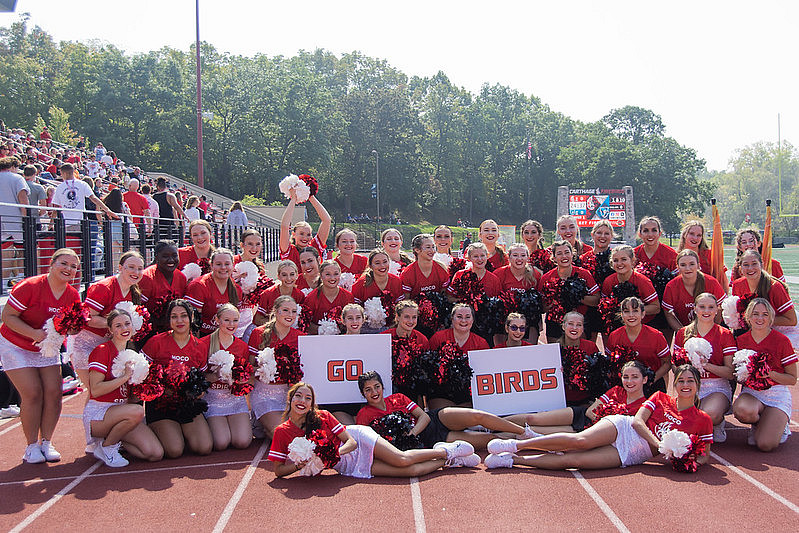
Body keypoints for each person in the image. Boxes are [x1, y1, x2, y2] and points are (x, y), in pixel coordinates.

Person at [483, 365, 712, 470]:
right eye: (681, 380)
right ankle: (517, 444)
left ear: (698, 386)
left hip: (635, 453)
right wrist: (659, 445)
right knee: (579, 442)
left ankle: (513, 460)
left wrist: (684, 460)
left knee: (574, 461)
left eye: (690, 381)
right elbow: (637, 421)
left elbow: (704, 456)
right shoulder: (660, 396)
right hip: (623, 428)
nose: (684, 385)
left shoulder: (703, 419)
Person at [268, 382, 479, 478]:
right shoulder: (282, 431)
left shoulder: (323, 416)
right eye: (298, 396)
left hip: (358, 440)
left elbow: (349, 440)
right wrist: (303, 464)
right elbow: (278, 472)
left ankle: (448, 450)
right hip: (346, 466)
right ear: (290, 399)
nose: (302, 401)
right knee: (409, 472)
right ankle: (452, 460)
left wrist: (332, 453)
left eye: (308, 398)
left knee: (402, 459)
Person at [0, 249, 81, 463]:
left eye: (73, 266)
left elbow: (70, 326)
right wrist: (34, 334)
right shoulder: (30, 286)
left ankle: (47, 441)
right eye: (64, 263)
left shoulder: (72, 294)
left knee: (54, 392)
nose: (68, 269)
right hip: (15, 345)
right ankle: (31, 446)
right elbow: (7, 316)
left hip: (46, 348)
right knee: (33, 393)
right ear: (52, 264)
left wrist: (73, 328)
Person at [356, 371, 534, 451]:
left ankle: (526, 433)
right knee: (491, 440)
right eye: (368, 389)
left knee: (478, 416)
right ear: (363, 393)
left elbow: (423, 416)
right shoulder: (363, 415)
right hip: (432, 440)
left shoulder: (398, 398)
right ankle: (527, 444)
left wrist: (411, 433)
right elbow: (368, 443)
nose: (374, 392)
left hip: (436, 420)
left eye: (376, 386)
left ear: (382, 386)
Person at [85, 310, 164, 467]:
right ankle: (108, 447)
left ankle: (113, 439)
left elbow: (132, 396)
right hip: (99, 413)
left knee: (155, 453)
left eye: (127, 324)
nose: (124, 328)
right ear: (110, 330)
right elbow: (95, 390)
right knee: (137, 411)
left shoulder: (132, 352)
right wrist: (125, 377)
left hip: (122, 413)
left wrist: (147, 387)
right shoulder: (102, 350)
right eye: (118, 325)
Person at [141, 300, 213, 458]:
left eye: (183, 316)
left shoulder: (200, 346)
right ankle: (161, 430)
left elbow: (202, 381)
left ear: (191, 317)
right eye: (174, 317)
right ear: (169, 320)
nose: (179, 321)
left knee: (204, 448)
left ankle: (180, 432)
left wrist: (196, 392)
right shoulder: (156, 342)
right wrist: (160, 387)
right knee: (174, 451)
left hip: (187, 405)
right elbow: (140, 373)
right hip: (161, 405)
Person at [505, 360, 649, 436]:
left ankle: (496, 434)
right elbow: (590, 411)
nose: (629, 382)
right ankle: (490, 425)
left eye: (634, 377)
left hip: (589, 431)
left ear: (645, 379)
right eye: (626, 377)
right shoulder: (617, 391)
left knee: (531, 431)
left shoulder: (645, 406)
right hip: (580, 415)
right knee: (533, 419)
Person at [70, 251, 145, 391]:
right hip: (87, 345)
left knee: (107, 393)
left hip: (109, 346)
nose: (136, 271)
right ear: (120, 267)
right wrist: (118, 324)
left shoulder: (133, 292)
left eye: (140, 268)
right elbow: (88, 318)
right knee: (97, 392)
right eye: (131, 267)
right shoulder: (104, 287)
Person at [733, 298, 797, 451]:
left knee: (765, 445)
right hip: (752, 394)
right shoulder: (741, 340)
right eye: (755, 314)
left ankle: (780, 424)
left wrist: (768, 374)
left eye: (764, 314)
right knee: (742, 411)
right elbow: (735, 373)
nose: (760, 318)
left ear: (771, 317)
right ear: (748, 317)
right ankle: (759, 423)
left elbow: (792, 379)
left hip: (776, 394)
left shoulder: (782, 340)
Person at [673, 293, 736, 442]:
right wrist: (686, 367)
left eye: (711, 307)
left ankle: (717, 422)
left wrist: (704, 365)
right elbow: (675, 366)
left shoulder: (725, 334)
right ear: (695, 309)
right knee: (677, 421)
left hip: (717, 387)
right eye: (702, 307)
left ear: (716, 310)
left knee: (707, 414)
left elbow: (730, 373)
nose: (706, 311)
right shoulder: (683, 333)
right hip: (690, 385)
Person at [198, 304, 253, 451]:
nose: (231, 324)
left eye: (235, 320)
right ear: (217, 320)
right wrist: (215, 376)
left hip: (234, 398)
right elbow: (199, 377)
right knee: (221, 443)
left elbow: (247, 377)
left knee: (242, 442)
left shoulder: (242, 346)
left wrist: (242, 380)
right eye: (227, 320)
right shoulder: (204, 343)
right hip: (213, 398)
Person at [248, 295, 304, 438]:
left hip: (289, 394)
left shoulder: (301, 337)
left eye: (293, 311)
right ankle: (261, 420)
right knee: (286, 435)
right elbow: (248, 369)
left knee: (301, 432)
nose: (290, 315)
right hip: (264, 394)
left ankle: (265, 427)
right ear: (275, 311)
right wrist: (266, 370)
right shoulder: (258, 333)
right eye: (285, 310)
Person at [428, 304, 489, 409]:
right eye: (459, 316)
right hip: (442, 390)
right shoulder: (438, 338)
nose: (463, 320)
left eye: (468, 317)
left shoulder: (481, 343)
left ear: (473, 320)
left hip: (468, 393)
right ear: (452, 319)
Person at [537, 241, 599, 342]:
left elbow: (596, 300)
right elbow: (542, 307)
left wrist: (577, 297)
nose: (564, 256)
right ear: (554, 257)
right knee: (556, 354)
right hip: (555, 322)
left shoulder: (583, 274)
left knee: (578, 353)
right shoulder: (546, 278)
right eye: (559, 253)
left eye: (566, 252)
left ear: (572, 254)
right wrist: (553, 302)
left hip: (578, 321)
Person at [605, 297, 670, 392]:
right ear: (621, 315)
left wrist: (652, 379)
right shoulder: (614, 336)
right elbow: (609, 363)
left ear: (643, 314)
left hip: (651, 386)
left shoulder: (656, 335)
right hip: (624, 385)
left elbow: (667, 362)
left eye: (635, 311)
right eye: (626, 311)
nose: (631, 315)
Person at [731, 250, 797, 342]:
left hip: (781, 330)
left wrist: (760, 320)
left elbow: (792, 320)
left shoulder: (774, 287)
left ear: (761, 265)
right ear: (740, 269)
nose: (750, 268)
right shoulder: (737, 285)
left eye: (754, 264)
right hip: (755, 329)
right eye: (746, 265)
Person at [662, 250, 726, 333]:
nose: (688, 268)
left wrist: (711, 331)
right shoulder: (672, 286)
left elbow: (721, 308)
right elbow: (668, 313)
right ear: (678, 267)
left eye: (692, 264)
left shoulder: (711, 282)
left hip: (712, 329)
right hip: (686, 330)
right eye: (683, 265)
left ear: (698, 266)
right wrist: (683, 332)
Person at [185, 248, 243, 337]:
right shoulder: (199, 285)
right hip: (202, 336)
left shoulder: (237, 289)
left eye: (227, 264)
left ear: (233, 266)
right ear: (211, 265)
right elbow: (193, 323)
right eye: (218, 264)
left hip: (224, 335)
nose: (223, 267)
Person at [600, 245, 660, 327]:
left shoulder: (642, 281)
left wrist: (631, 311)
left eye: (624, 259)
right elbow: (603, 306)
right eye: (615, 260)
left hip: (643, 325)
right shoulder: (608, 281)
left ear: (633, 261)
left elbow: (656, 307)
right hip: (617, 325)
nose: (619, 263)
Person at [138, 241, 188, 332]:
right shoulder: (147, 277)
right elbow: (139, 311)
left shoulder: (181, 277)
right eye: (165, 256)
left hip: (175, 328)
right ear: (157, 257)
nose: (171, 260)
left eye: (174, 255)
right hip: (149, 330)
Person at [51, 163, 116, 231]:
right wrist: (107, 210)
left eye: (61, 174)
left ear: (64, 173)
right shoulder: (83, 184)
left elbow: (56, 207)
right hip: (81, 222)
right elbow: (94, 198)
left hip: (66, 223)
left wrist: (51, 223)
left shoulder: (60, 187)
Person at [279, 187, 332, 265]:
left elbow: (327, 220)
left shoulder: (315, 246)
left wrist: (310, 196)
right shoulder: (289, 251)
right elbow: (284, 226)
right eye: (301, 234)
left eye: (308, 234)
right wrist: (293, 199)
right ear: (293, 234)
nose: (305, 238)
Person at [301, 260, 354, 335]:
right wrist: (322, 330)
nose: (332, 278)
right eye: (328, 274)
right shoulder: (311, 298)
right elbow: (305, 323)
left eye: (336, 274)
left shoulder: (348, 297)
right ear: (321, 276)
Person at [676, 220, 728, 291]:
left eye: (699, 235)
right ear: (684, 235)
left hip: (708, 296)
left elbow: (723, 279)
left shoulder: (710, 255)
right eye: (691, 234)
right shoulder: (676, 256)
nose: (695, 238)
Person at [0, 156, 29, 283]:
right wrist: (26, 219)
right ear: (13, 166)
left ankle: (4, 282)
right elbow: (23, 199)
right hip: (15, 220)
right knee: (23, 249)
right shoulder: (17, 178)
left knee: (5, 252)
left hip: (2, 220)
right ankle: (20, 280)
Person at [254, 260, 304, 326]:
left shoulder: (300, 295)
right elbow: (257, 320)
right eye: (284, 275)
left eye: (292, 274)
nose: (288, 278)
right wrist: (277, 323)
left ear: (297, 276)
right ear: (278, 276)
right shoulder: (267, 294)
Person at [401, 234, 450, 299]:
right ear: (417, 250)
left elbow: (445, 296)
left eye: (433, 247)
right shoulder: (407, 273)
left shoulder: (442, 268)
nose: (432, 250)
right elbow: (406, 300)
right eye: (428, 247)